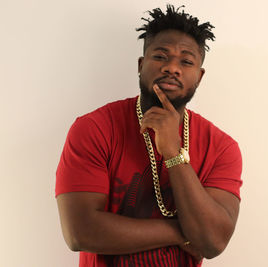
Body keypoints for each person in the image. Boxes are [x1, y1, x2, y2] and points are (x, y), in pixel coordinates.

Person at [56, 5, 243, 267]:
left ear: (199, 77)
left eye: (186, 61)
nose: (172, 68)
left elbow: (212, 242)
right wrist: (182, 232)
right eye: (161, 56)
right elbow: (80, 232)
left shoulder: (222, 147)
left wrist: (174, 154)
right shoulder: (94, 128)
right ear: (141, 65)